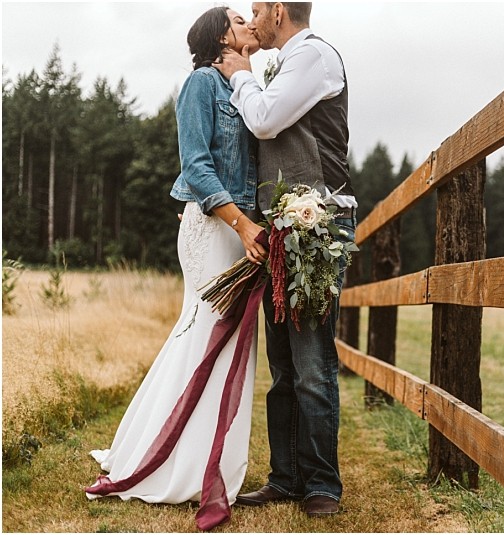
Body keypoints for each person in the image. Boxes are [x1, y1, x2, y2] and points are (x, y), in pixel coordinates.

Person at [85, 7, 267, 531]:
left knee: (225, 341)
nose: (248, 21)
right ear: (219, 36)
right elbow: (197, 164)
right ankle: (168, 460)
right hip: (216, 228)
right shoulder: (201, 85)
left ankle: (201, 458)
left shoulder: (244, 86)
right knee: (205, 332)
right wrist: (241, 225)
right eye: (238, 17)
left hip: (242, 230)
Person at [214, 1, 356, 518]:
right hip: (284, 222)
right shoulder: (289, 61)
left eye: (257, 9)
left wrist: (243, 74)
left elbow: (267, 121)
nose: (252, 19)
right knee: (284, 366)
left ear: (278, 9)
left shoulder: (312, 57)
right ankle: (286, 476)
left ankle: (323, 484)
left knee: (313, 363)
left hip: (319, 222)